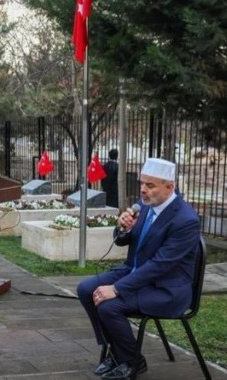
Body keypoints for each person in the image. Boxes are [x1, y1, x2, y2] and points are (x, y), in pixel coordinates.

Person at [77, 158, 200, 379]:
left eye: (150, 185)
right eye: (142, 183)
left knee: (109, 306)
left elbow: (160, 265)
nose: (143, 190)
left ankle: (132, 360)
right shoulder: (144, 205)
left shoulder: (185, 219)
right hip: (134, 272)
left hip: (166, 289)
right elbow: (125, 240)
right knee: (86, 289)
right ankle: (116, 352)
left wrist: (116, 289)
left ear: (169, 187)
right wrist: (123, 228)